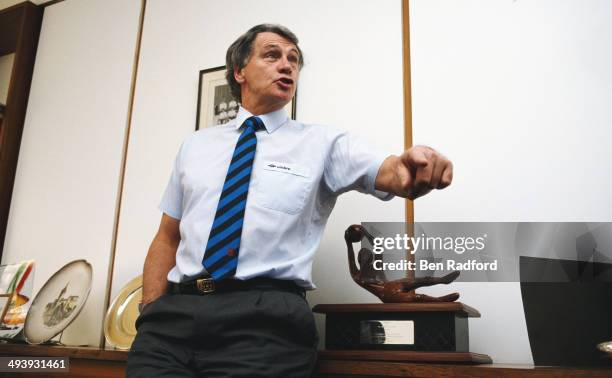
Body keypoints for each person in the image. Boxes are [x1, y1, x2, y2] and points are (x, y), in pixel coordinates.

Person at [126, 24, 453, 378]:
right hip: (173, 320)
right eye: (272, 55)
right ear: (239, 72)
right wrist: (151, 309)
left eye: (293, 59)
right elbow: (167, 236)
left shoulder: (324, 144)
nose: (287, 65)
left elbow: (390, 171)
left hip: (264, 323)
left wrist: (411, 168)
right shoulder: (195, 146)